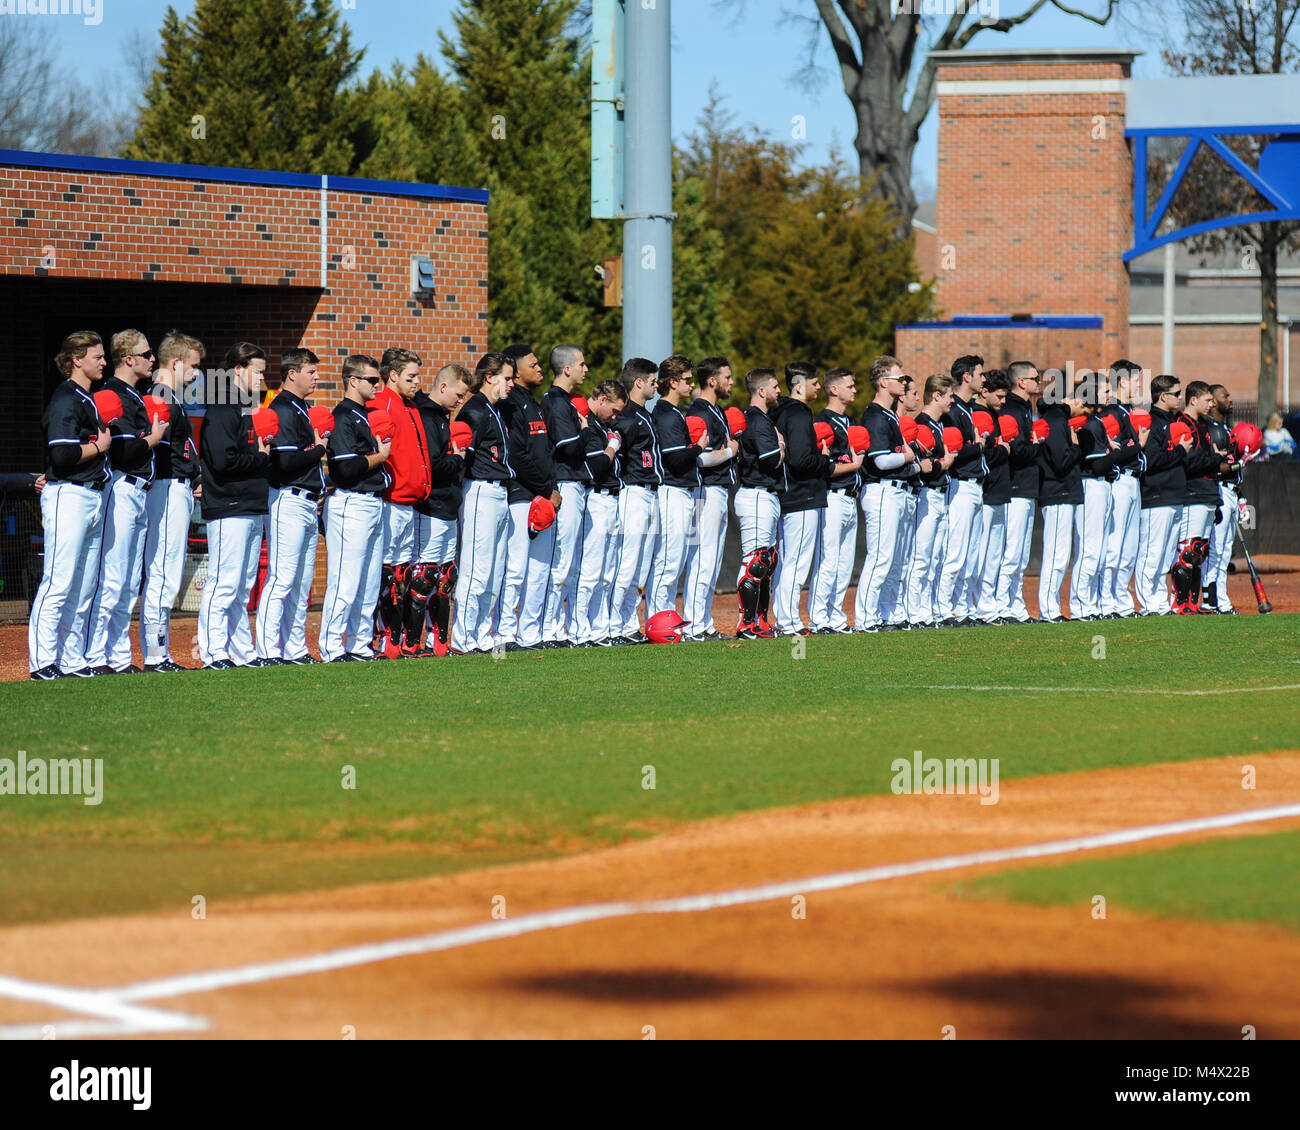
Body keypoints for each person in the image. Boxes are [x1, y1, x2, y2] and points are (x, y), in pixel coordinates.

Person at [84, 330, 168, 673]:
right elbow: (123, 449)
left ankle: (118, 657)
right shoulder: (111, 393)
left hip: (139, 490)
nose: (152, 359)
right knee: (113, 577)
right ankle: (94, 656)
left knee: (131, 579)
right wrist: (154, 437)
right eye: (146, 354)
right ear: (129, 359)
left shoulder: (136, 394)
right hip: (120, 488)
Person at [28, 331, 111, 679]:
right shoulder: (66, 398)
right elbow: (61, 453)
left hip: (90, 494)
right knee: (59, 581)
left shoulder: (86, 396)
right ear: (77, 360)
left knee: (83, 584)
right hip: (69, 494)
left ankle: (72, 659)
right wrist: (99, 447)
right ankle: (42, 662)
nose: (104, 361)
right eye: (97, 356)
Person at [197, 342, 271, 669]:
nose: (262, 378)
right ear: (238, 370)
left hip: (251, 504)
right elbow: (222, 460)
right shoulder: (223, 408)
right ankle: (214, 652)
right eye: (257, 371)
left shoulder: (246, 407)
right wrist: (261, 459)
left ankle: (243, 652)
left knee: (243, 587)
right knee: (223, 583)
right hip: (229, 504)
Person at [256, 347, 327, 665]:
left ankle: (294, 648)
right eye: (310, 371)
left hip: (307, 501)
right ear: (292, 373)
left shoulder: (300, 407)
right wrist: (318, 449)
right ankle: (268, 649)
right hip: (288, 498)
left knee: (301, 582)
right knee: (283, 577)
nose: (316, 376)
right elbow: (283, 462)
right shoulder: (283, 407)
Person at [140, 331, 204, 672]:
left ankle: (158, 652)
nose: (196, 374)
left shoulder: (171, 397)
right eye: (193, 366)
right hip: (165, 489)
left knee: (167, 573)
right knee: (162, 573)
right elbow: (158, 451)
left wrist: (193, 476)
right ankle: (154, 653)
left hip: (176, 488)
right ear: (176, 363)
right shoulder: (160, 397)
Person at [319, 355, 391, 662]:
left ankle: (360, 644)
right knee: (345, 580)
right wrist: (381, 457)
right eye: (372, 380)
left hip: (372, 503)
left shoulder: (365, 415)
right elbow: (345, 469)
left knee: (369, 580)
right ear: (353, 381)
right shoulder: (343, 417)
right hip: (351, 501)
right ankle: (332, 647)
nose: (378, 385)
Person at [495, 343, 560, 651]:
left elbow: (542, 454)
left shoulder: (533, 403)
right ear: (516, 370)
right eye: (532, 364)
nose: (539, 368)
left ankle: (530, 633)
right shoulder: (510, 404)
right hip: (521, 495)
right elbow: (517, 457)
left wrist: (551, 489)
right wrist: (546, 488)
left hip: (543, 494)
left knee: (540, 569)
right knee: (516, 567)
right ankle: (505, 633)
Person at [449, 352, 515, 654]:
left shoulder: (495, 409)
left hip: (499, 492)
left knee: (495, 570)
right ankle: (463, 639)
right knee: (476, 568)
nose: (511, 383)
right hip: (479, 490)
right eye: (507, 377)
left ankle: (480, 634)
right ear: (490, 377)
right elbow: (464, 459)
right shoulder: (474, 410)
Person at [371, 347, 432, 658]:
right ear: (392, 376)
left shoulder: (410, 406)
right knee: (387, 574)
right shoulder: (381, 404)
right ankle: (380, 638)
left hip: (410, 501)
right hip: (389, 501)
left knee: (403, 573)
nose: (417, 382)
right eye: (411, 376)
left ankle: (398, 638)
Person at [854, 356, 917, 632]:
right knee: (880, 557)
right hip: (882, 490)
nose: (904, 383)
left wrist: (905, 457)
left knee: (893, 560)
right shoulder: (875, 415)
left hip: (896, 491)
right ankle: (865, 619)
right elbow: (880, 461)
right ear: (883, 382)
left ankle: (886, 614)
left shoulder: (889, 415)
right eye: (899, 378)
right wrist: (907, 457)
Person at [412, 363, 470, 655]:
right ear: (443, 386)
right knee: (425, 576)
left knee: (447, 576)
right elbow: (432, 466)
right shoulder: (426, 416)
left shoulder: (443, 418)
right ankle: (410, 643)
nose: (461, 401)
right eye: (458, 395)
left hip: (447, 504)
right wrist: (459, 459)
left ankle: (439, 643)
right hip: (430, 506)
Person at [771, 361, 831, 635]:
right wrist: (823, 458)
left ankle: (785, 619)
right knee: (796, 562)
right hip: (802, 494)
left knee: (788, 562)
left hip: (790, 494)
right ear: (798, 385)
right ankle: (789, 622)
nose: (818, 386)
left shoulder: (782, 410)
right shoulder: (797, 413)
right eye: (814, 382)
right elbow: (800, 459)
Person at [681, 356, 738, 641]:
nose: (731, 382)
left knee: (712, 561)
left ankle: (702, 623)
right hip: (704, 491)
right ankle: (693, 625)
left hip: (718, 490)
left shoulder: (716, 411)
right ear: (712, 381)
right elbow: (699, 457)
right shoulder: (699, 412)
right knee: (702, 559)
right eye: (726, 377)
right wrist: (730, 452)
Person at [647, 354, 708, 619]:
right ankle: (658, 619)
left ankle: (665, 618)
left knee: (674, 560)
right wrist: (698, 448)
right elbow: (674, 457)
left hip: (680, 492)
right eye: (686, 379)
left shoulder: (672, 412)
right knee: (668, 561)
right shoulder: (666, 414)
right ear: (672, 382)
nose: (691, 384)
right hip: (671, 491)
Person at [607, 357, 662, 643]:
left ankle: (628, 625)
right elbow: (615, 455)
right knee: (626, 563)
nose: (656, 386)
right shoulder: (625, 416)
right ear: (638, 383)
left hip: (650, 492)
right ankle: (613, 626)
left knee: (640, 567)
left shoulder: (644, 415)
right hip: (632, 491)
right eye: (652, 381)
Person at [540, 345, 590, 647]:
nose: (585, 369)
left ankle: (557, 628)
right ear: (567, 369)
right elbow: (569, 447)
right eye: (581, 364)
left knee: (568, 563)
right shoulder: (556, 401)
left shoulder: (566, 401)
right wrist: (585, 432)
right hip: (564, 483)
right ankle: (549, 629)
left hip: (574, 483)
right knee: (560, 562)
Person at [808, 367, 864, 634]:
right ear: (834, 389)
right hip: (832, 497)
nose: (854, 389)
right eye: (850, 385)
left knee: (844, 565)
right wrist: (853, 466)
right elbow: (824, 466)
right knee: (828, 561)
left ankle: (835, 616)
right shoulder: (823, 422)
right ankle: (819, 618)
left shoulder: (850, 421)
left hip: (851, 498)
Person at [571, 380, 626, 646]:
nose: (615, 416)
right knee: (590, 570)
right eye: (614, 410)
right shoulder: (589, 425)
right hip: (596, 497)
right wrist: (612, 447)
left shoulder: (603, 426)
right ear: (602, 399)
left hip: (613, 499)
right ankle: (581, 629)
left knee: (608, 572)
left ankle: (599, 627)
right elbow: (598, 466)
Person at [1136, 374, 1194, 614]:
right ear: (1163, 396)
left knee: (1167, 555)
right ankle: (1147, 603)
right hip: (1156, 496)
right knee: (1151, 553)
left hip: (1174, 496)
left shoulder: (1172, 422)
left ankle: (1159, 602)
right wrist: (1180, 450)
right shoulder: (1152, 422)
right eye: (1177, 393)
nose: (1181, 398)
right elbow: (1151, 460)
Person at [936, 355, 987, 625]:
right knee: (955, 552)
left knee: (972, 555)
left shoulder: (969, 408)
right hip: (959, 485)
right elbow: (953, 451)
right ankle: (945, 610)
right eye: (980, 374)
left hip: (976, 485)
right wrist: (978, 446)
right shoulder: (953, 410)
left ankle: (963, 608)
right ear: (966, 377)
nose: (984, 378)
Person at [734, 368, 784, 639]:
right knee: (755, 561)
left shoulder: (760, 418)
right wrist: (781, 446)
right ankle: (746, 623)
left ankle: (760, 622)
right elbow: (772, 458)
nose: (779, 391)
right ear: (761, 391)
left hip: (764, 495)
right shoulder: (756, 419)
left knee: (767, 563)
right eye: (775, 386)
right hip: (755, 494)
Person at [904, 374, 957, 627]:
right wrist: (942, 465)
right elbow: (918, 465)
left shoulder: (938, 424)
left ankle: (927, 611)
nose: (952, 400)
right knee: (921, 557)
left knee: (935, 556)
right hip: (926, 494)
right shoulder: (922, 424)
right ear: (936, 396)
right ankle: (915, 613)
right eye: (948, 395)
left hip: (940, 494)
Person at [1098, 360, 1147, 618]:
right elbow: (1110, 451)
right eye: (1136, 380)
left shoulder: (1129, 410)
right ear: (1122, 381)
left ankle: (1122, 602)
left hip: (1134, 480)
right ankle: (1106, 601)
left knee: (1129, 548)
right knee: (1114, 545)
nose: (1139, 384)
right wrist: (1137, 445)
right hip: (1119, 481)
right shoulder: (1112, 412)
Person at [996, 361, 1041, 623]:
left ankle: (1014, 603)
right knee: (1011, 552)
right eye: (1034, 378)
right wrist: (1038, 445)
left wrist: (1033, 445)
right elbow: (1017, 451)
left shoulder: (1024, 408)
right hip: (1014, 488)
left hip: (1025, 487)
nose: (1039, 382)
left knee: (1021, 553)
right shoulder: (1011, 409)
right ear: (1021, 382)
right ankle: (1003, 605)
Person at [1070, 371, 1117, 620]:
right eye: (1106, 390)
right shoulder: (1087, 423)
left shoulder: (1096, 421)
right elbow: (1097, 465)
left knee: (1099, 550)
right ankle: (1080, 606)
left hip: (1102, 486)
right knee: (1089, 549)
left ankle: (1091, 604)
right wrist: (1128, 452)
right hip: (1090, 486)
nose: (1110, 394)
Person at [1036, 380, 1083, 622]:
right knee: (1057, 553)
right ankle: (1048, 610)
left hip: (1061, 492)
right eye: (1077, 398)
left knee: (1060, 554)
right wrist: (1076, 446)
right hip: (1057, 492)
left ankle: (1051, 608)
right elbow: (1061, 462)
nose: (1081, 403)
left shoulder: (1057, 418)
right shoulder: (1055, 420)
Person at [971, 368, 1012, 623]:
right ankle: (977, 606)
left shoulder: (992, 414)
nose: (1003, 401)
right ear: (984, 392)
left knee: (993, 555)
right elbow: (981, 455)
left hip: (998, 490)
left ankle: (987, 606)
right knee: (980, 553)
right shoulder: (977, 415)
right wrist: (1004, 450)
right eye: (999, 396)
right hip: (984, 491)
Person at [1202, 384, 1243, 614]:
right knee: (1216, 548)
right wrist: (1239, 462)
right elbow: (1218, 465)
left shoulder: (1224, 428)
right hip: (1218, 489)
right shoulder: (1211, 428)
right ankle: (1211, 599)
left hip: (1231, 491)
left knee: (1225, 549)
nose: (1230, 399)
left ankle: (1220, 598)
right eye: (1225, 395)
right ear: (1214, 401)